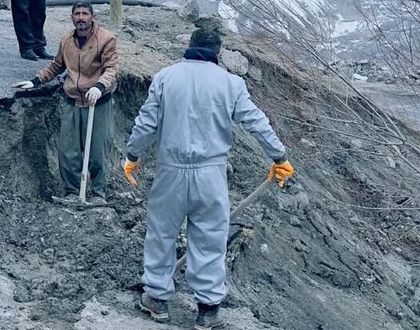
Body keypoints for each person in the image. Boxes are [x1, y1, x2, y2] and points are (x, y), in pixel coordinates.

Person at [124, 27, 295, 330]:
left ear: (189, 46)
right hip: (211, 174)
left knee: (162, 234)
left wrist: (133, 156)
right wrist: (279, 157)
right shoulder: (231, 83)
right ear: (218, 53)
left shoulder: (166, 77)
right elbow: (256, 121)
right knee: (210, 239)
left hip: (171, 172)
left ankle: (157, 300)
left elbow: (146, 123)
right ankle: (207, 309)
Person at [14, 2, 119, 200]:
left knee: (97, 152)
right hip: (72, 101)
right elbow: (56, 66)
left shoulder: (106, 39)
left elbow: (111, 69)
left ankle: (98, 194)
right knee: (68, 152)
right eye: (77, 14)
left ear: (92, 16)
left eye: (85, 14)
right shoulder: (66, 40)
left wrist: (99, 86)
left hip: (97, 102)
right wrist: (35, 81)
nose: (81, 18)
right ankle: (72, 192)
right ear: (72, 18)